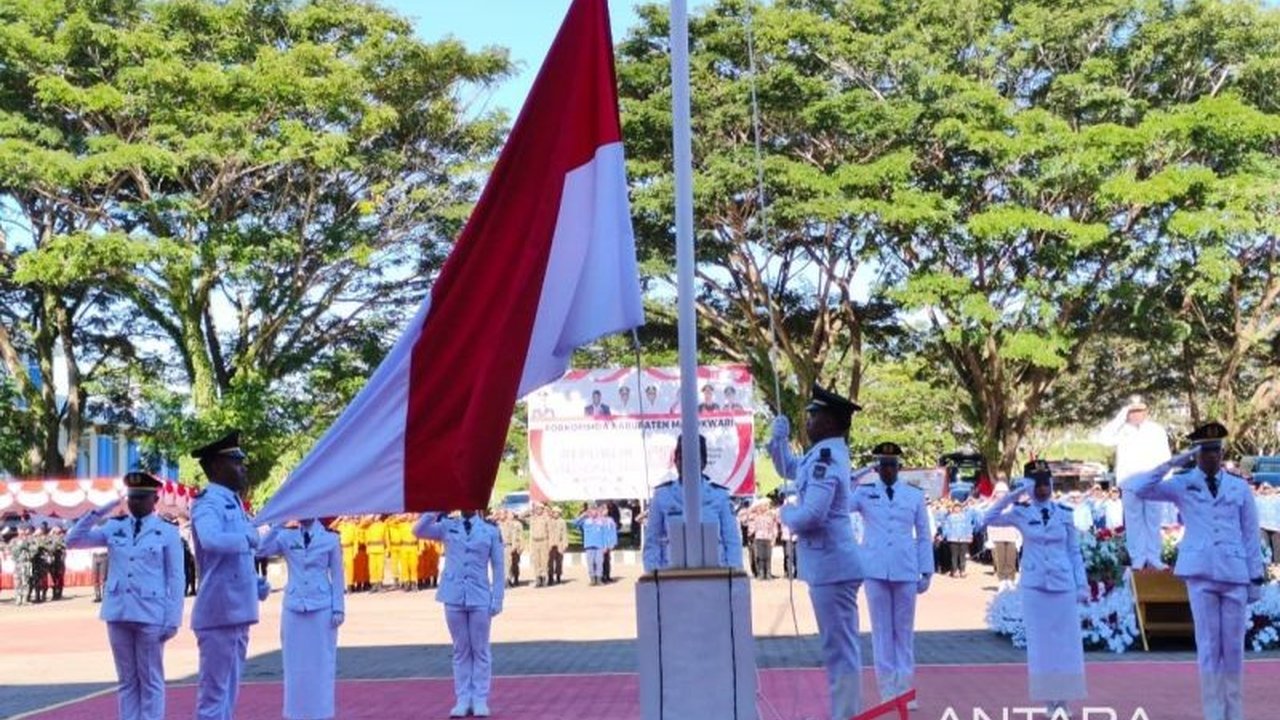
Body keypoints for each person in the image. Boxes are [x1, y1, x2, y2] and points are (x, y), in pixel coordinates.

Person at [1128, 422, 1265, 720]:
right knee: (1208, 646)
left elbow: (1250, 534)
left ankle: (1234, 712)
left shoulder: (1239, 487)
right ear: (1196, 454)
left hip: (1234, 574)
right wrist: (1174, 462)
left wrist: (1255, 579)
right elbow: (1139, 488)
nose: (1212, 456)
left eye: (1216, 450)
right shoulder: (1183, 483)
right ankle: (1214, 713)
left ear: (1222, 452)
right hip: (1201, 573)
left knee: (1233, 648)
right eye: (1205, 451)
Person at [768, 382, 866, 720]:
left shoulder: (828, 458)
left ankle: (846, 714)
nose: (808, 421)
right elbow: (788, 468)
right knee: (837, 647)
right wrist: (777, 441)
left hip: (832, 565)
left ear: (831, 421)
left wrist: (785, 514)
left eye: (814, 415)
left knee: (839, 650)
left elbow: (812, 515)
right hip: (828, 565)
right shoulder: (820, 454)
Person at [66, 472, 185, 720]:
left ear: (155, 499)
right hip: (118, 611)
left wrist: (173, 619)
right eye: (132, 497)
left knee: (150, 679)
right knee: (126, 680)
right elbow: (73, 540)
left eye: (141, 497)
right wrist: (98, 512)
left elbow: (176, 578)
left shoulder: (166, 531)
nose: (135, 502)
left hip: (151, 614)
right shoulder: (114, 526)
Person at [980, 460, 1089, 718]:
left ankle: (1064, 699)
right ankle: (1049, 700)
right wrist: (1015, 494)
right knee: (1042, 645)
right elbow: (988, 518)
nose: (1042, 489)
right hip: (1035, 586)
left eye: (1045, 483)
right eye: (1036, 484)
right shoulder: (1021, 512)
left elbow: (1074, 552)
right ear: (1030, 486)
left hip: (1062, 585)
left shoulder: (1064, 513)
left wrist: (1082, 584)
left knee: (1066, 644)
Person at [190, 430, 270, 720]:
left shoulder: (233, 501)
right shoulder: (208, 502)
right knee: (214, 697)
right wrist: (248, 537)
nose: (242, 468)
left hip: (236, 609)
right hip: (219, 611)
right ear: (216, 467)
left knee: (228, 694)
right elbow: (211, 540)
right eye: (236, 462)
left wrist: (254, 582)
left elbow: (232, 561)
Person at [849, 441, 932, 708]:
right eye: (882, 464)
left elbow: (924, 534)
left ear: (899, 467)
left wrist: (926, 570)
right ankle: (887, 691)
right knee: (882, 632)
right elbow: (841, 502)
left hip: (905, 569)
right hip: (875, 569)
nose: (887, 469)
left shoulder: (913, 495)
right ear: (877, 467)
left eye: (891, 464)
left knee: (904, 633)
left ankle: (905, 690)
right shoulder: (864, 493)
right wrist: (859, 473)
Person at [414, 510, 504, 718]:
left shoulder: (490, 530)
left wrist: (498, 598)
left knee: (480, 650)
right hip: (453, 595)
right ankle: (463, 699)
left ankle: (480, 699)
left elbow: (498, 567)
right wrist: (436, 509)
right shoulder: (448, 526)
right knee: (460, 650)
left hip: (479, 596)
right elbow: (418, 531)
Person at [257, 519, 345, 720]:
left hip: (321, 606)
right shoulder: (287, 536)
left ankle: (321, 713)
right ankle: (295, 713)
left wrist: (338, 608)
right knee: (293, 664)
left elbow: (337, 574)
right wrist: (279, 522)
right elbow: (261, 549)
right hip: (294, 606)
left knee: (322, 663)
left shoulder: (330, 539)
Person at [641, 434, 742, 572]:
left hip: (714, 575)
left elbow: (732, 542)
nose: (687, 464)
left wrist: (733, 577)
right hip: (672, 576)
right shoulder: (662, 496)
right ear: (675, 461)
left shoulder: (719, 496)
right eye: (681, 458)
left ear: (704, 462)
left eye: (693, 458)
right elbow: (652, 542)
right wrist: (653, 576)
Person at [1098, 397, 1172, 569]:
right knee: (1134, 522)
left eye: (1139, 410)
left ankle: (1154, 557)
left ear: (1146, 412)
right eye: (1132, 411)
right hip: (1130, 481)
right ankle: (1138, 558)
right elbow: (1103, 438)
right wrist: (1121, 415)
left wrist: (1167, 480)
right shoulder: (1122, 430)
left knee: (1153, 521)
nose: (1136, 414)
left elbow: (1165, 456)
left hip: (1153, 481)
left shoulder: (1156, 430)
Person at [986, 482, 1022, 591]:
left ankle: (1010, 580)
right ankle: (1002, 581)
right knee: (1000, 560)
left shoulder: (1013, 506)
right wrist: (990, 538)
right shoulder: (992, 506)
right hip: (997, 536)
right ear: (995, 493)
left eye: (1003, 492)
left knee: (1011, 559)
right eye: (999, 492)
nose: (1001, 494)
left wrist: (1019, 537)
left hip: (1011, 535)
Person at [574, 505, 616, 585]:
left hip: (599, 546)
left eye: (595, 510)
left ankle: (599, 579)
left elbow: (605, 534)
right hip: (589, 545)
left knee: (599, 562)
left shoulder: (601, 521)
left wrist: (606, 545)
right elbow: (575, 523)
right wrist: (583, 515)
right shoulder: (586, 521)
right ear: (589, 512)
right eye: (591, 510)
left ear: (597, 511)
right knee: (590, 563)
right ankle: (592, 579)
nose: (593, 512)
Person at [941, 502, 974, 577]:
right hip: (952, 538)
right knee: (954, 556)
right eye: (955, 507)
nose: (957, 509)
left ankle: (962, 570)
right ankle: (955, 571)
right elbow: (946, 527)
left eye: (958, 507)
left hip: (963, 538)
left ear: (961, 508)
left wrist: (970, 535)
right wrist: (944, 535)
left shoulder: (965, 517)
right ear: (953, 508)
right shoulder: (949, 517)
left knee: (962, 556)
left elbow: (969, 527)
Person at [528, 504, 552, 587]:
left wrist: (550, 543)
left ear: (542, 509)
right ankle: (538, 578)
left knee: (544, 561)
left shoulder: (546, 519)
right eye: (536, 509)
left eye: (540, 509)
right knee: (536, 561)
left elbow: (550, 531)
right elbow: (521, 517)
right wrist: (530, 510)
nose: (538, 510)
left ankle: (544, 578)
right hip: (535, 542)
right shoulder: (532, 518)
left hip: (544, 541)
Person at [548, 507, 568, 584]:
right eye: (554, 512)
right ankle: (550, 577)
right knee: (550, 561)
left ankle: (558, 576)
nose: (555, 514)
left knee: (559, 561)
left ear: (559, 514)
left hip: (559, 543)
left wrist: (565, 544)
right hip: (550, 543)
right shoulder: (549, 521)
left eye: (557, 512)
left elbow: (564, 533)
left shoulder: (562, 522)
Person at [48, 525, 67, 600]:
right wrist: (50, 534)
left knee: (59, 577)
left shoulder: (62, 538)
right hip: (53, 560)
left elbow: (64, 547)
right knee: (53, 577)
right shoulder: (50, 538)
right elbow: (48, 546)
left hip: (60, 560)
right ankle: (54, 593)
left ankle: (59, 593)